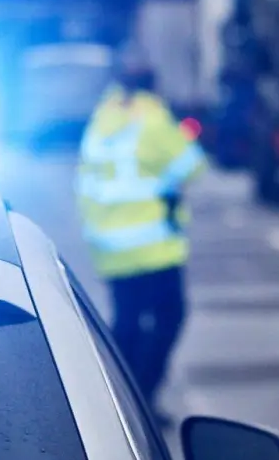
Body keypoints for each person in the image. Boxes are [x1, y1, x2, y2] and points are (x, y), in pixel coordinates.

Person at [75, 43, 206, 424]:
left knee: (128, 321)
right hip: (151, 246)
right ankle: (142, 400)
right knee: (169, 317)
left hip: (109, 243)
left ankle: (117, 398)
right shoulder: (152, 119)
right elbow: (193, 166)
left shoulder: (104, 116)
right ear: (153, 86)